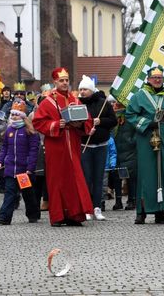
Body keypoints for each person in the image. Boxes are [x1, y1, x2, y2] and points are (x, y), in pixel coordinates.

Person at [32, 67, 93, 227]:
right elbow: (38, 122)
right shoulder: (48, 101)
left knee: (74, 179)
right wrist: (55, 124)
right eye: (61, 80)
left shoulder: (75, 100)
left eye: (66, 80)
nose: (65, 83)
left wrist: (80, 124)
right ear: (55, 82)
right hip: (56, 146)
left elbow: (87, 119)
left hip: (72, 144)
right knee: (56, 179)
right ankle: (59, 216)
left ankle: (74, 215)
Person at [126, 66, 164, 225]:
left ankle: (161, 211)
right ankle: (142, 211)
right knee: (146, 174)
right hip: (146, 137)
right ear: (148, 79)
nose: (157, 80)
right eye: (154, 78)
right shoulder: (139, 97)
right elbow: (130, 115)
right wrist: (147, 123)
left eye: (160, 78)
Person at [78, 75, 117, 221]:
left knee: (99, 178)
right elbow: (75, 124)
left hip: (101, 145)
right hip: (85, 145)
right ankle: (86, 208)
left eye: (85, 89)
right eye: (80, 89)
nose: (82, 92)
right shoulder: (78, 104)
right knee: (86, 178)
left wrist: (100, 121)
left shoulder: (103, 103)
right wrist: (85, 129)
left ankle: (97, 207)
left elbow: (113, 120)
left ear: (91, 90)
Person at [0, 101, 40, 225]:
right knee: (9, 193)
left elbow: (33, 150)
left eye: (16, 115)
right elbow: (4, 148)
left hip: (23, 170)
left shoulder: (29, 131)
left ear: (22, 116)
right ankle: (4, 217)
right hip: (10, 168)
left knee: (28, 194)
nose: (14, 117)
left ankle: (33, 214)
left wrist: (30, 167)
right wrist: (0, 160)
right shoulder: (9, 130)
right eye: (12, 115)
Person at [112, 100, 137, 210]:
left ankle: (131, 200)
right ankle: (118, 201)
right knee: (117, 176)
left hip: (129, 151)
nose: (115, 105)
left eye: (118, 103)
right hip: (116, 150)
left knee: (130, 176)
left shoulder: (131, 116)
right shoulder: (114, 117)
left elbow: (137, 131)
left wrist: (132, 141)